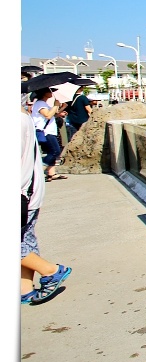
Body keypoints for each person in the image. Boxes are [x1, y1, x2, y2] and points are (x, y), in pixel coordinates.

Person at [21, 106, 73, 304]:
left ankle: (50, 270)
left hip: (22, 193)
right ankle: (25, 289)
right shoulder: (22, 117)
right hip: (28, 192)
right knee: (24, 239)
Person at [31, 88, 65, 182]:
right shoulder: (40, 104)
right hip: (46, 132)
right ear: (44, 93)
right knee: (55, 151)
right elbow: (48, 115)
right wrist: (55, 105)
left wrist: (61, 108)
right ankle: (39, 171)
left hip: (50, 131)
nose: (51, 93)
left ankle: (51, 173)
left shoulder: (43, 103)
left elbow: (52, 115)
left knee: (52, 151)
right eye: (49, 91)